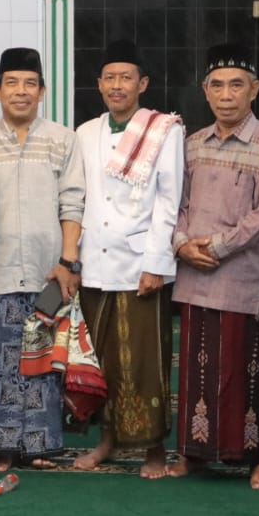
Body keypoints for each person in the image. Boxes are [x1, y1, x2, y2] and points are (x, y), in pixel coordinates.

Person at [168, 44, 259, 488]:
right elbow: (176, 203)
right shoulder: (192, 144)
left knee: (247, 374)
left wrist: (217, 247)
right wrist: (181, 244)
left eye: (236, 85)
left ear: (254, 90)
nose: (225, 95)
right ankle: (193, 454)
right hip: (194, 278)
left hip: (242, 280)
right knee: (196, 373)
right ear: (205, 90)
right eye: (217, 85)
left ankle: (256, 459)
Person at [0, 47, 85, 470]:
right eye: (12, 83)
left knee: (42, 361)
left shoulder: (63, 140)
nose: (21, 91)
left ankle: (39, 445)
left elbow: (73, 203)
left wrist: (68, 262)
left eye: (30, 84)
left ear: (42, 91)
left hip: (47, 271)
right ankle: (0, 446)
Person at [74, 41, 184, 478]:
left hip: (140, 264)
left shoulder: (164, 131)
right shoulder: (85, 132)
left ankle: (153, 447)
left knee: (144, 361)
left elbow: (169, 201)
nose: (117, 85)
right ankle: (108, 439)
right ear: (99, 84)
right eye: (110, 78)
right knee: (101, 359)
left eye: (126, 78)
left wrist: (156, 263)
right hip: (94, 263)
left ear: (143, 84)